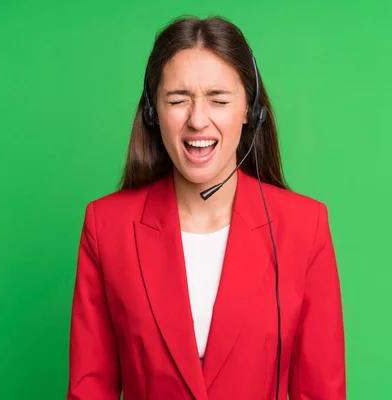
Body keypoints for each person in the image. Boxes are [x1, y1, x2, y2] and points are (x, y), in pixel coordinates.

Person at [67, 15, 346, 400]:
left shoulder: (304, 226)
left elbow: (321, 392)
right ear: (153, 113)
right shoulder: (107, 226)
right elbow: (90, 389)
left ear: (251, 110)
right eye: (178, 100)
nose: (198, 120)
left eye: (218, 99)